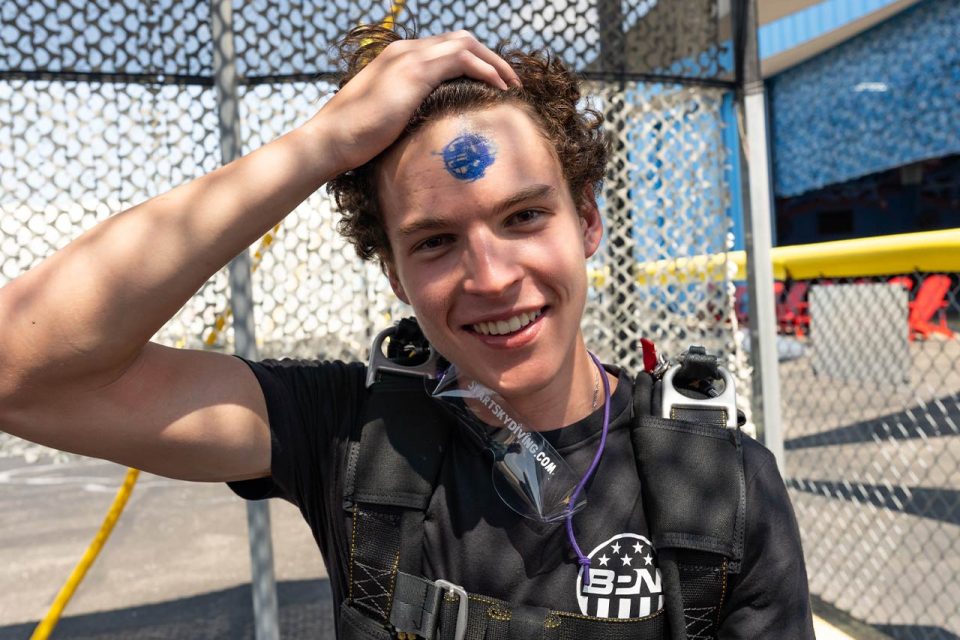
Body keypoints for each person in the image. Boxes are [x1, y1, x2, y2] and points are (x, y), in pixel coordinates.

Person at [0, 25, 814, 639]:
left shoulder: (720, 483)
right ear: (393, 273)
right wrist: (319, 145)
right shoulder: (353, 436)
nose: (492, 275)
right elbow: (21, 369)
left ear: (588, 219)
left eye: (524, 216)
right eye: (434, 241)